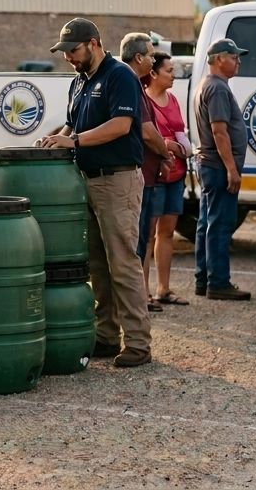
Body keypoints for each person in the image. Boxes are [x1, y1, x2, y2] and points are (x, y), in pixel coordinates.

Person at [36, 18, 153, 368]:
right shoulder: (79, 81)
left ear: (93, 43)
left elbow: (121, 125)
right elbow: (73, 124)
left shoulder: (120, 76)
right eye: (64, 52)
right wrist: (54, 139)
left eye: (72, 50)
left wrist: (72, 141)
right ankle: (106, 335)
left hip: (117, 180)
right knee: (98, 265)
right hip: (86, 180)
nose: (68, 57)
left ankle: (138, 343)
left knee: (123, 263)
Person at [192, 39, 252, 301]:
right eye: (234, 57)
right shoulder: (216, 88)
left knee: (207, 223)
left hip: (210, 165)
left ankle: (203, 279)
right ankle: (218, 282)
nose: (238, 61)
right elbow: (219, 131)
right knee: (220, 226)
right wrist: (231, 169)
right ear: (218, 59)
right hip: (218, 167)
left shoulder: (209, 84)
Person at [118, 33, 172, 313]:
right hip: (139, 177)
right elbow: (148, 133)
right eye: (151, 55)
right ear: (138, 57)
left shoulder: (135, 84)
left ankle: (140, 298)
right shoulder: (131, 85)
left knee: (143, 240)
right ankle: (136, 302)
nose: (153, 60)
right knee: (137, 244)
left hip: (148, 176)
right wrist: (166, 153)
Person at [142, 52, 192, 307]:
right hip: (156, 176)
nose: (173, 75)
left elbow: (180, 132)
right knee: (147, 235)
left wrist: (183, 148)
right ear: (153, 73)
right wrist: (170, 145)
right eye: (169, 71)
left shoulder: (172, 99)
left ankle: (163, 289)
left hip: (176, 174)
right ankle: (143, 293)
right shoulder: (144, 101)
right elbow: (145, 137)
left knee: (167, 233)